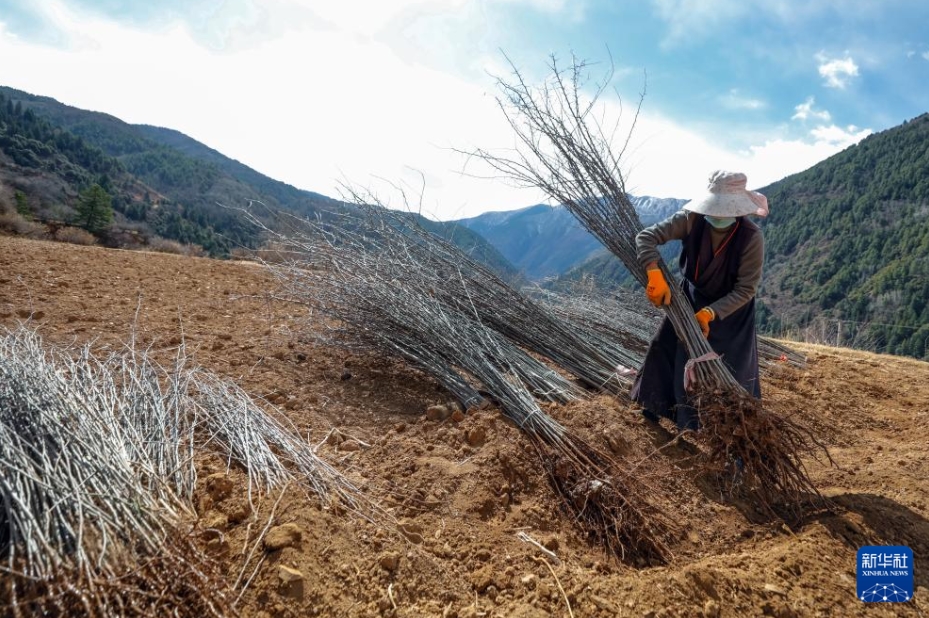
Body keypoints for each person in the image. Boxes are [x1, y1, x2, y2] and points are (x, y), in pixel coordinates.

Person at [629, 170, 768, 431]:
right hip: (689, 298)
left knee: (730, 371)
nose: (717, 215)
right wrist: (653, 271)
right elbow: (646, 237)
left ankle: (730, 432)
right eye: (714, 208)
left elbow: (746, 289)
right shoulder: (691, 220)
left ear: (738, 210)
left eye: (725, 210)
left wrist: (709, 314)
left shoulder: (751, 238)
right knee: (667, 347)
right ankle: (653, 406)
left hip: (730, 312)